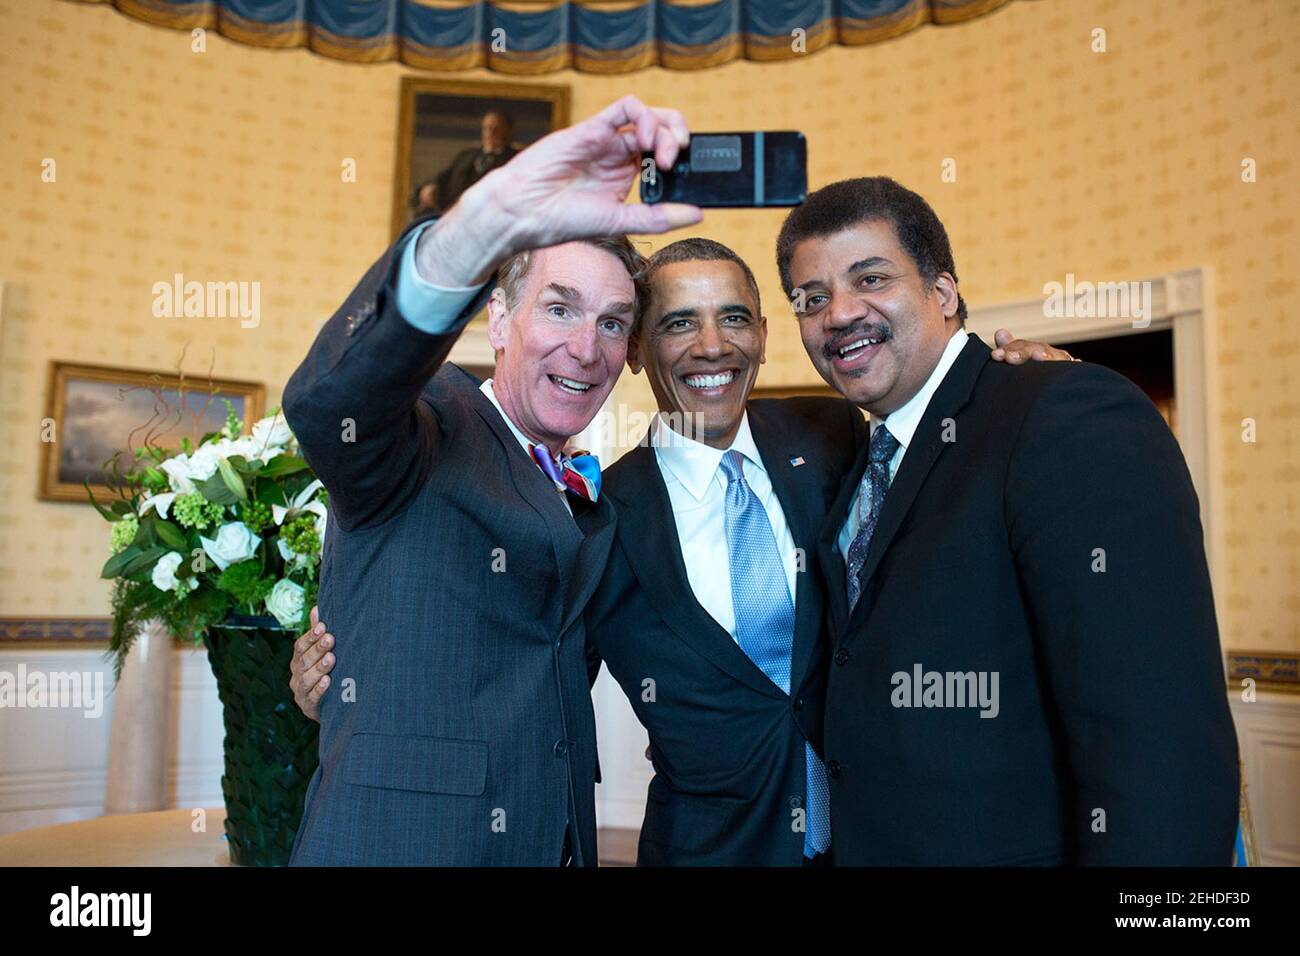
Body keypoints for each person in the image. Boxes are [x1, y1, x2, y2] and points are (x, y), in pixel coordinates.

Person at [290, 233, 1067, 865]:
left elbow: (937, 490)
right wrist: (349, 674)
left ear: (764, 336)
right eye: (674, 323)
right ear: (641, 354)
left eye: (734, 318)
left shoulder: (829, 437)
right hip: (703, 851)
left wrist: (1008, 389)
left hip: (881, 833)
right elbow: (528, 661)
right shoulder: (600, 516)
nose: (710, 346)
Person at [281, 95, 701, 866]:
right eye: (559, 308)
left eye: (612, 323)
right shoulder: (424, 427)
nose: (586, 348)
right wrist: (479, 229)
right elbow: (325, 402)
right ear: (499, 321)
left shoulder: (594, 497)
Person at [777, 176, 1239, 864]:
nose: (838, 313)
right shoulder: (863, 456)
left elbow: (1158, 737)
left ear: (943, 292)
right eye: (811, 299)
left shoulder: (1063, 412)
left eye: (869, 279)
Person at [433, 109, 520, 213]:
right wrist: (431, 186)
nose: (490, 133)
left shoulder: (516, 159)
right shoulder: (466, 156)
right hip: (458, 214)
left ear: (508, 131)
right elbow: (445, 177)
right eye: (486, 128)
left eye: (495, 128)